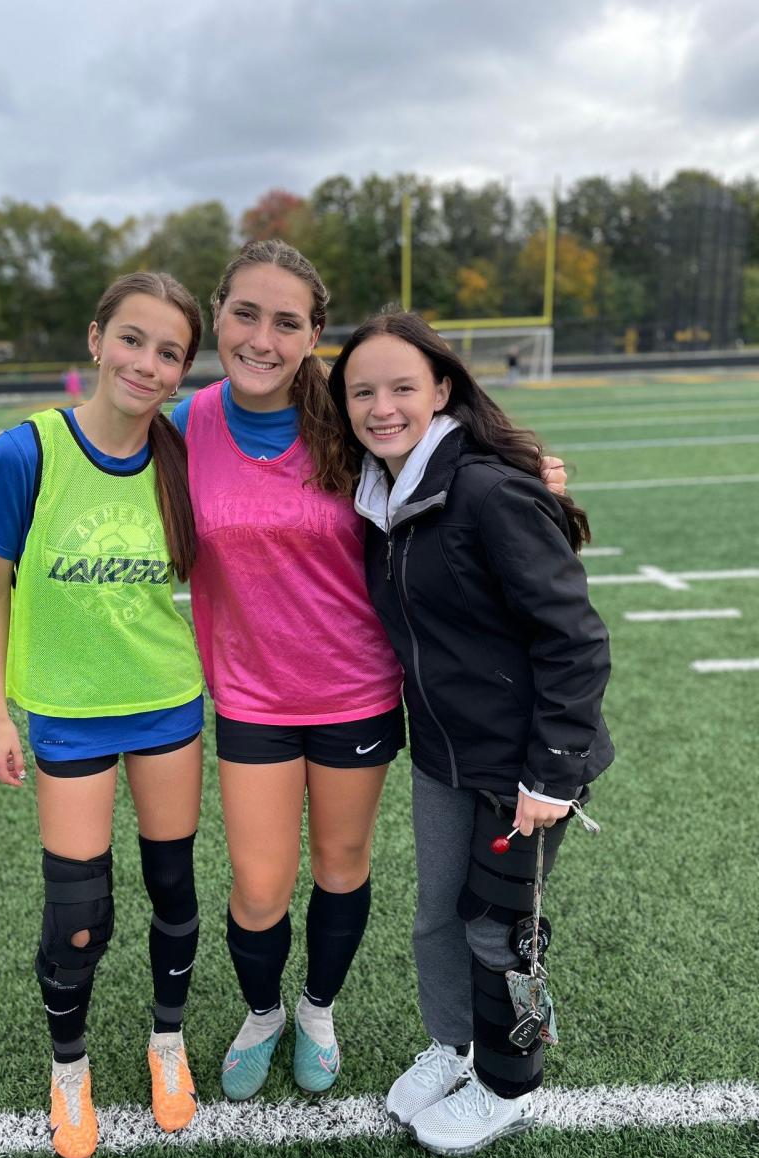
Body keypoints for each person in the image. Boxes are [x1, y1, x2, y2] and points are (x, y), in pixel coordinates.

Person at [169, 241, 568, 1103]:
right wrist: (29, 456)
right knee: (258, 884)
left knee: (340, 866)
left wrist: (529, 475)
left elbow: (448, 472)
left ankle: (318, 1009)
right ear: (219, 315)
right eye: (245, 313)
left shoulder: (349, 416)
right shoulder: (191, 420)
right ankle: (264, 1013)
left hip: (354, 690)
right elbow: (107, 448)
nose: (262, 338)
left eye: (287, 321)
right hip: (249, 695)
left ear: (314, 334)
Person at [327, 310, 613, 1155]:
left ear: (442, 389)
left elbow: (575, 639)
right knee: (435, 921)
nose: (382, 406)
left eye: (403, 387)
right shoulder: (382, 499)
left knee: (500, 930)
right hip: (445, 753)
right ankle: (454, 1044)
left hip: (523, 766)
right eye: (362, 391)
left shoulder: (485, 490)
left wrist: (553, 772)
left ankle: (506, 1082)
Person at [0, 272, 206, 1158]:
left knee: (173, 889)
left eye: (170, 351)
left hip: (166, 703)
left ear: (183, 371)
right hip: (67, 712)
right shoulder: (29, 450)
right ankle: (70, 1071)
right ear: (98, 340)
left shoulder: (183, 456)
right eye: (133, 339)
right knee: (78, 915)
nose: (147, 362)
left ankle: (167, 1045)